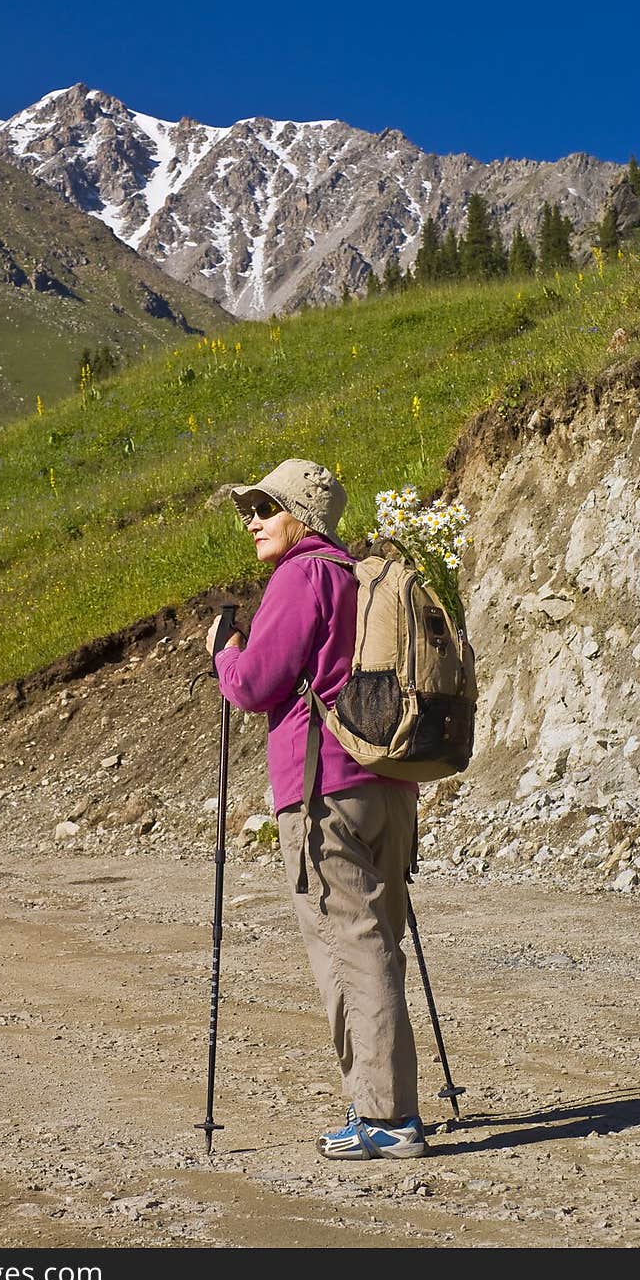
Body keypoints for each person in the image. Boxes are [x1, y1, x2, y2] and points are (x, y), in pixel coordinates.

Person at [205, 457, 426, 1161]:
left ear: (301, 513)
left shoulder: (302, 576)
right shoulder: (364, 577)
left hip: (323, 789)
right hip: (391, 784)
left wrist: (224, 656)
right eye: (249, 508)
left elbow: (256, 683)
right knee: (374, 939)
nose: (252, 520)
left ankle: (389, 1117)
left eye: (264, 506)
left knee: (352, 945)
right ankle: (376, 1105)